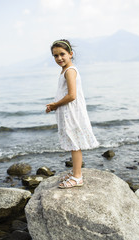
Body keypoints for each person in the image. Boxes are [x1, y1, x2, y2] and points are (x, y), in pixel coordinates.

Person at [46, 39, 99, 189]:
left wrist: (56, 104)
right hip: (67, 112)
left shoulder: (70, 71)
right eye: (55, 56)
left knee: (75, 144)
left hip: (72, 113)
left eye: (62, 54)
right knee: (72, 142)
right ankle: (76, 171)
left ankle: (77, 177)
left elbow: (72, 95)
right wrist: (54, 106)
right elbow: (65, 93)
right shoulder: (64, 70)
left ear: (70, 54)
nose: (59, 58)